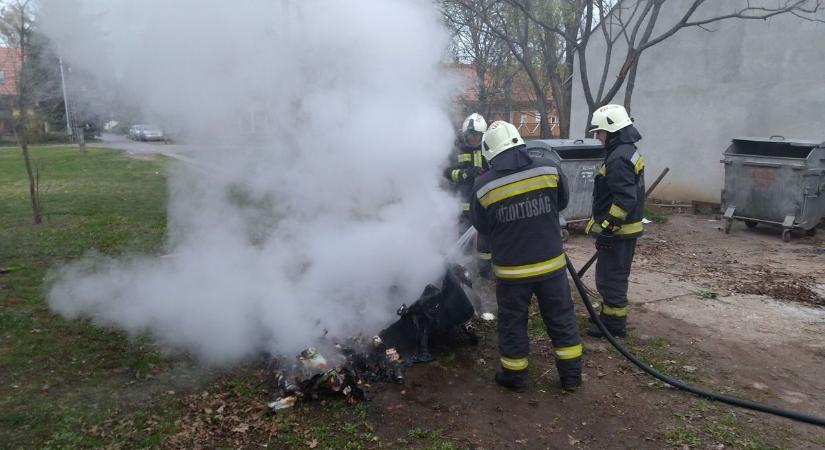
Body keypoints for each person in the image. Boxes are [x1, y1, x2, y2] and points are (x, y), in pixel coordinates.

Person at [469, 120, 582, 392]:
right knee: (561, 319)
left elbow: (482, 227)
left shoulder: (483, 187)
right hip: (551, 266)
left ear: (490, 152)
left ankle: (515, 377)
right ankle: (571, 378)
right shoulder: (549, 168)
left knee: (512, 323)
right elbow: (562, 202)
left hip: (512, 273)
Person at [585, 104, 646, 338]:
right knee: (610, 275)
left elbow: (624, 199)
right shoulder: (626, 151)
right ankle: (608, 316)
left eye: (599, 132)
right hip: (624, 230)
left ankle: (614, 325)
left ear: (612, 131)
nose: (597, 137)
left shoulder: (619, 158)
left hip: (619, 231)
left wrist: (608, 229)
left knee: (611, 278)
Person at [444, 113, 492, 279]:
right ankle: (465, 271)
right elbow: (448, 173)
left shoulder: (488, 148)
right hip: (464, 203)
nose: (472, 137)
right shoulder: (457, 149)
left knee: (485, 237)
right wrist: (465, 173)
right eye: (470, 134)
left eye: (476, 134)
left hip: (484, 202)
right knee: (465, 238)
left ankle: (485, 269)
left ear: (482, 135)